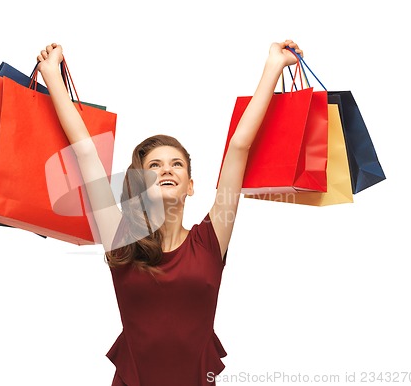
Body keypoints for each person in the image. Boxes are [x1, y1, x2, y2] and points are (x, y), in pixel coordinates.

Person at [37, 40, 303, 386]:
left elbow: (239, 146)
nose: (166, 170)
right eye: (155, 166)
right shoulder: (121, 239)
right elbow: (86, 154)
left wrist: (273, 65)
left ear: (190, 185)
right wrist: (52, 76)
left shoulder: (211, 238)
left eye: (177, 164)